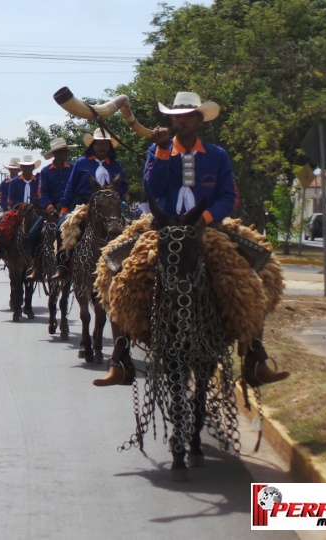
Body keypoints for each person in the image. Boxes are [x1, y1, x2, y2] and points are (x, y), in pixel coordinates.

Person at [109, 90, 287, 388]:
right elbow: (153, 188)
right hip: (161, 226)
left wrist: (203, 218)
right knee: (113, 268)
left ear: (199, 120)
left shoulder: (217, 155)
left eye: (188, 116)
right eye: (177, 117)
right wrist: (163, 151)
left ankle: (255, 357)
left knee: (257, 271)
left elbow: (228, 196)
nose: (182, 121)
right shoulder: (158, 150)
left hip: (208, 226)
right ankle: (120, 358)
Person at [50, 128, 129, 280]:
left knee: (130, 229)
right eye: (99, 143)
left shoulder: (116, 165)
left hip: (109, 207)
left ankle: (126, 263)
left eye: (106, 143)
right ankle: (62, 265)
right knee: (62, 227)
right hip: (84, 204)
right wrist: (65, 207)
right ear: (92, 145)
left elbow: (124, 186)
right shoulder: (82, 163)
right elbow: (71, 185)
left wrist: (115, 198)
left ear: (110, 146)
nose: (102, 147)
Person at [26, 138, 77, 281]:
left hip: (72, 209)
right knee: (33, 233)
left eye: (65, 151)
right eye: (61, 151)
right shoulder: (46, 171)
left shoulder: (73, 169)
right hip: (52, 210)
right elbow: (42, 193)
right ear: (55, 154)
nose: (64, 154)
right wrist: (49, 208)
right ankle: (37, 266)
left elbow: (77, 188)